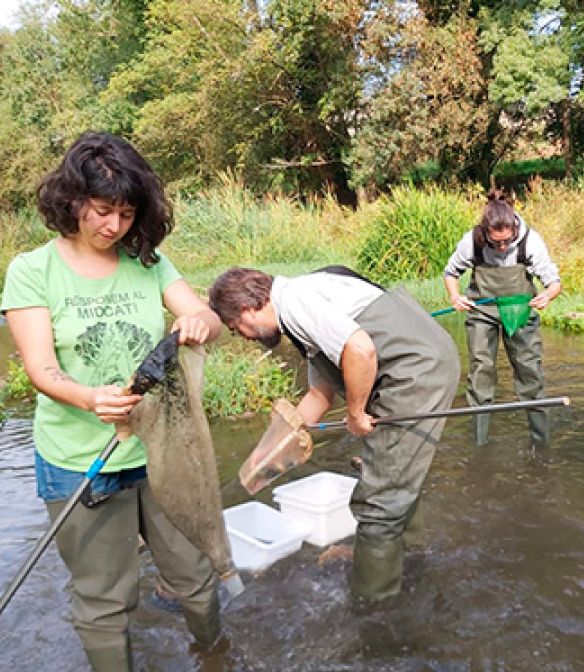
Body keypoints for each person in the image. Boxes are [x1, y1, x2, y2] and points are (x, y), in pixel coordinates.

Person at [1, 131, 224, 672]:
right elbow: (41, 369)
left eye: (126, 213)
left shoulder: (147, 261)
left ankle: (215, 656)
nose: (114, 226)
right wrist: (90, 398)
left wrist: (200, 320)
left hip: (161, 454)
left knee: (195, 575)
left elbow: (208, 319)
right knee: (104, 600)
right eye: (103, 210)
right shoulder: (33, 271)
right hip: (82, 462)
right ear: (71, 201)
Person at [208, 266, 460, 601]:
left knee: (377, 501)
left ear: (246, 309)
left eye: (236, 328)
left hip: (416, 374)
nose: (244, 336)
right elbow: (318, 397)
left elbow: (360, 350)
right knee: (396, 475)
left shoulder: (296, 301)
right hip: (415, 369)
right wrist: (267, 455)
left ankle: (374, 606)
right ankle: (410, 562)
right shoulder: (301, 306)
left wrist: (356, 413)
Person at [443, 189, 561, 446]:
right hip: (482, 314)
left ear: (514, 228)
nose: (503, 247)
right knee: (481, 373)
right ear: (485, 232)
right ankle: (479, 445)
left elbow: (553, 282)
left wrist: (547, 296)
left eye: (508, 241)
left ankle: (541, 444)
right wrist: (455, 297)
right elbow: (451, 273)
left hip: (519, 313)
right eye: (496, 243)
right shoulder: (472, 241)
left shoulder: (530, 240)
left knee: (530, 374)